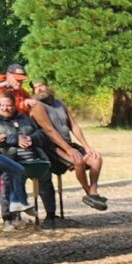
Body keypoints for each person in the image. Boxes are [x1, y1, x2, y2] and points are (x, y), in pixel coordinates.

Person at [27, 77, 108, 212]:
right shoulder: (37, 106)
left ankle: (93, 192)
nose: (39, 89)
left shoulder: (60, 104)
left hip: (69, 143)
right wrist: (68, 149)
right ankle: (88, 193)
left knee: (96, 158)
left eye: (41, 85)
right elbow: (49, 130)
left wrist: (87, 146)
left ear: (48, 86)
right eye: (36, 88)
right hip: (52, 147)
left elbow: (74, 126)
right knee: (78, 161)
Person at [0, 89, 49, 226]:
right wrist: (8, 140)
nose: (5, 109)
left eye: (9, 105)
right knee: (13, 172)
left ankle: (17, 203)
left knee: (17, 170)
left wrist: (2, 140)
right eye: (1, 107)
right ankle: (12, 209)